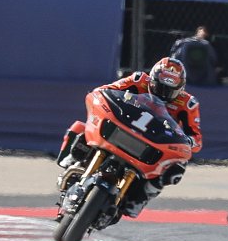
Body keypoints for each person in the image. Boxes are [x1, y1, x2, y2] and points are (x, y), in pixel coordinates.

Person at [56, 57, 203, 218]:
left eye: (170, 90)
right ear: (152, 79)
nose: (163, 94)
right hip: (123, 127)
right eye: (159, 87)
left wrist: (188, 141)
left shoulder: (188, 103)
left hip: (154, 142)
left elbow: (196, 138)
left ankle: (140, 198)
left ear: (180, 88)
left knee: (177, 167)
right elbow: (105, 91)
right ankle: (71, 161)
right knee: (81, 128)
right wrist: (102, 100)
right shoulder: (138, 79)